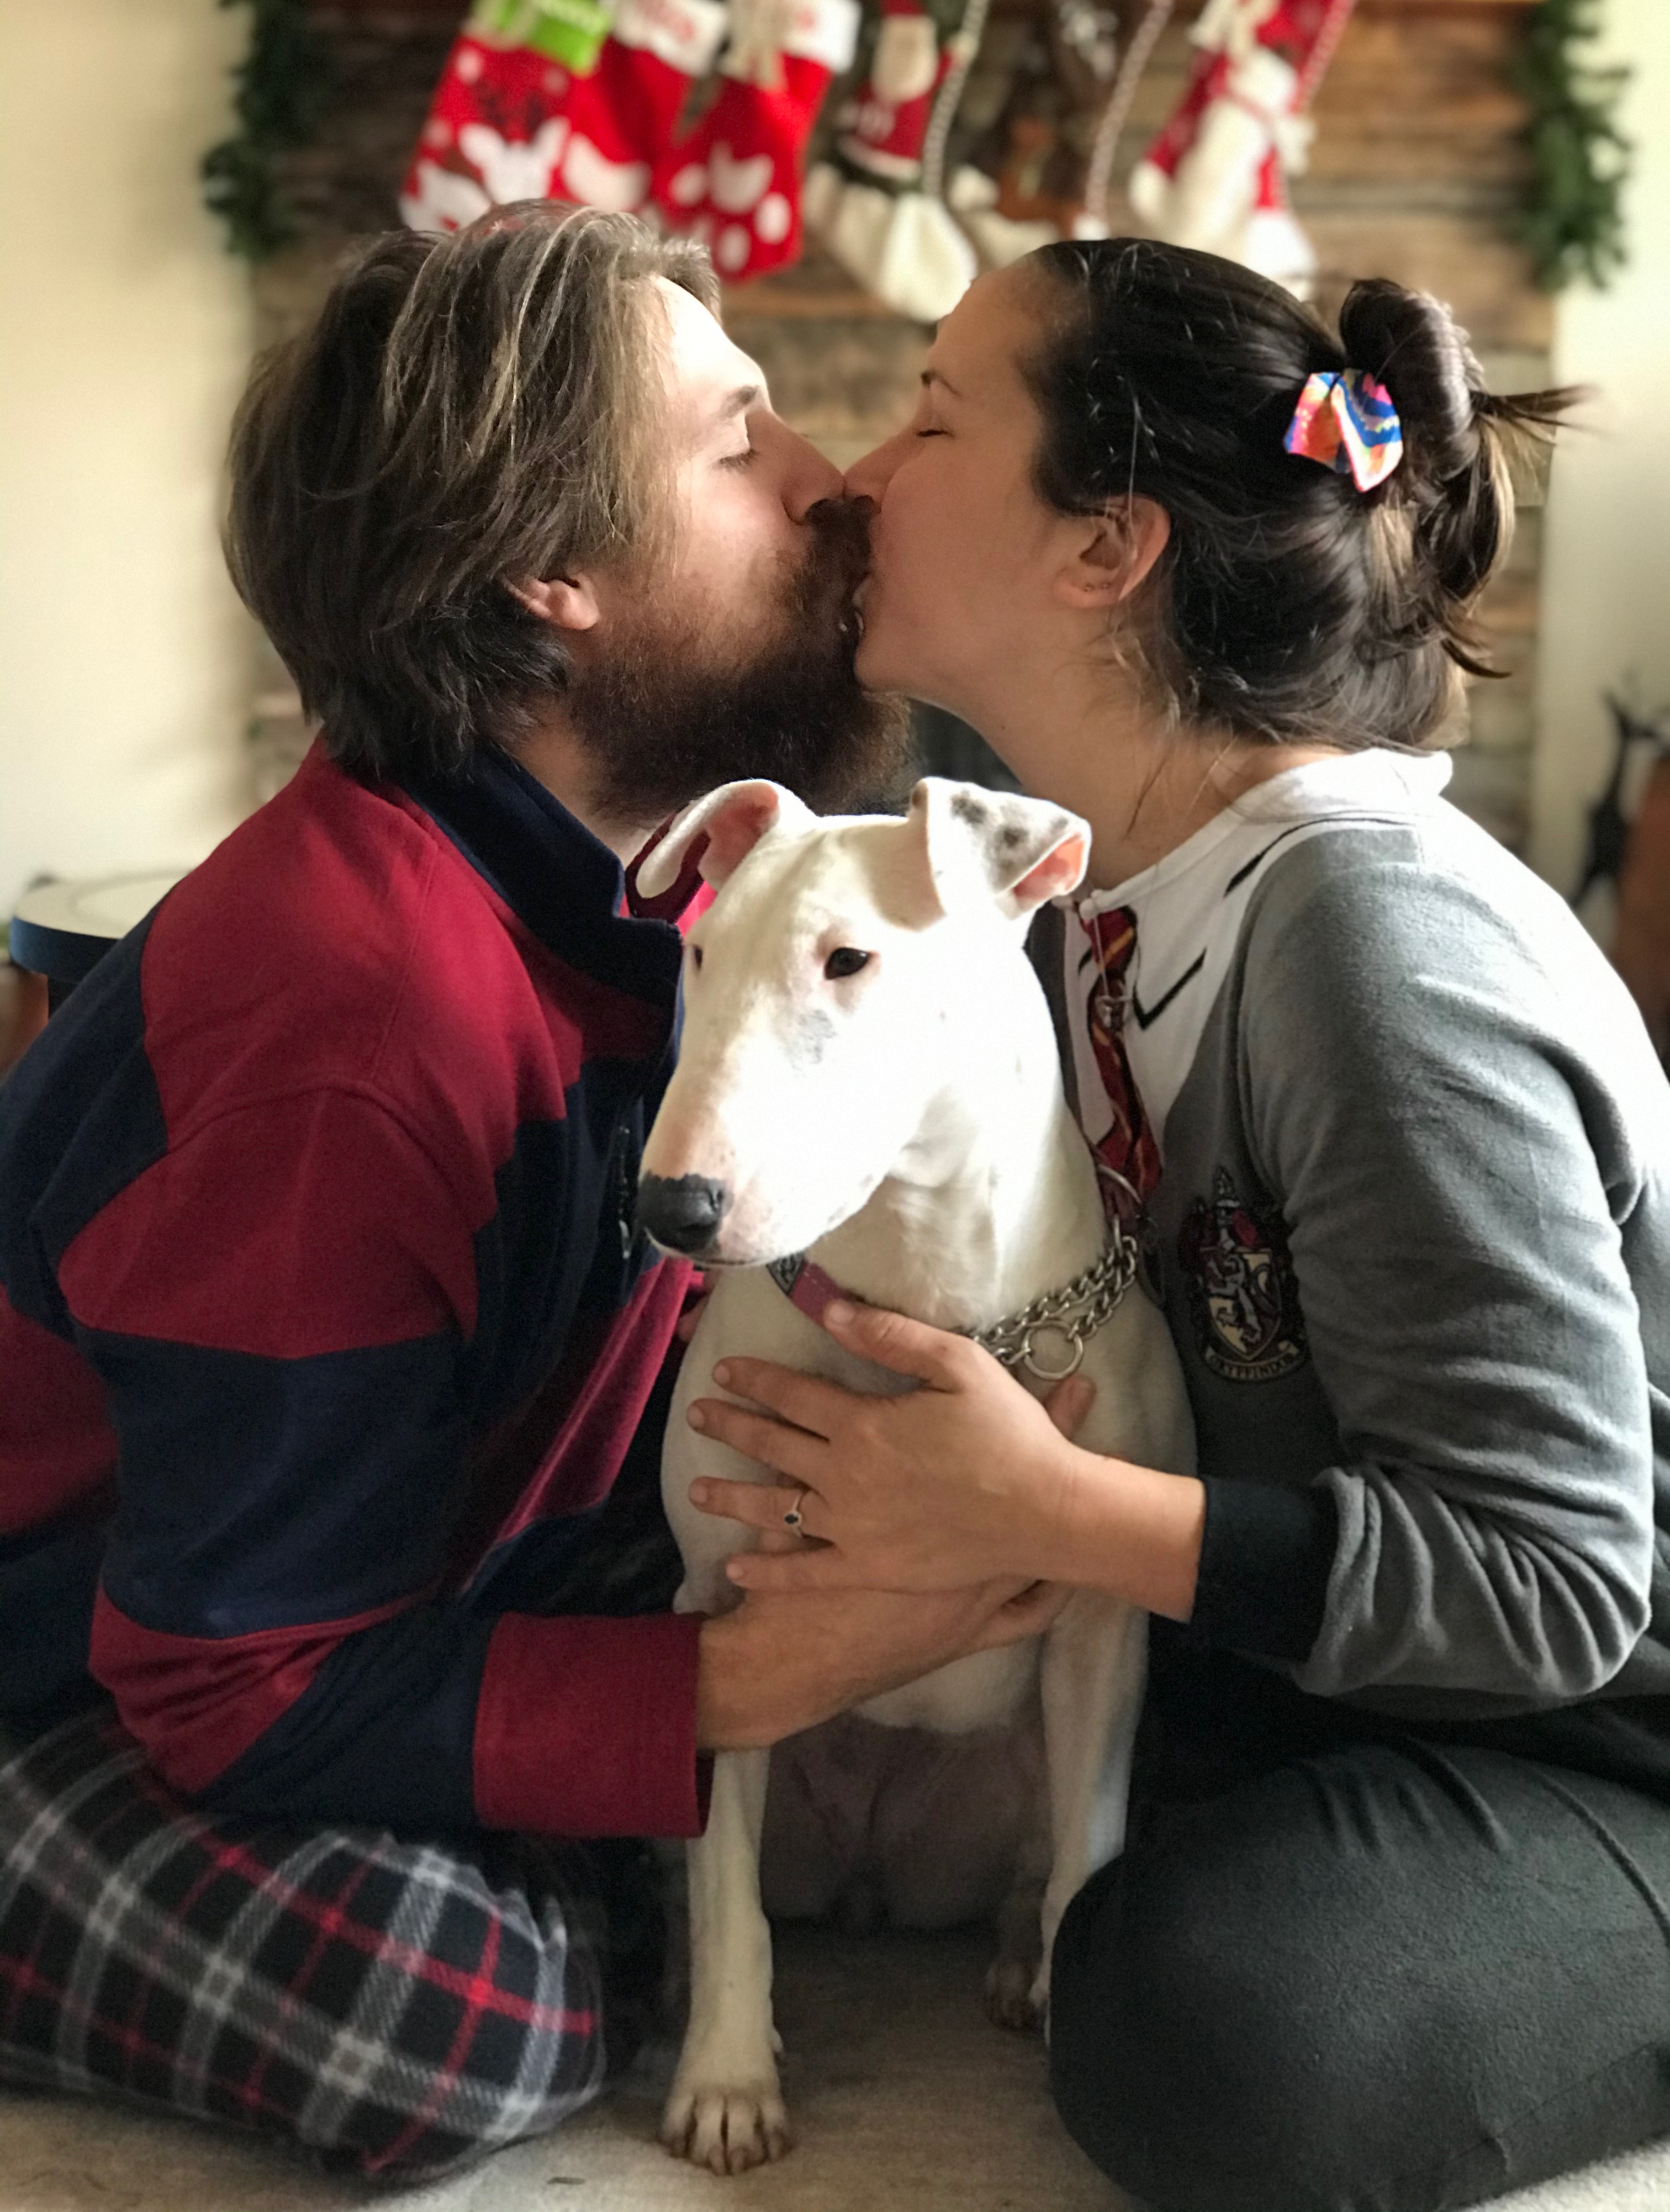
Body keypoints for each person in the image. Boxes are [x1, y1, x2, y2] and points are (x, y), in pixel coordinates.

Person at [0, 205, 1064, 2181]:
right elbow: (232, 1681)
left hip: (418, 1571)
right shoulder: (352, 1012)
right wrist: (755, 1679)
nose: (833, 482)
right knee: (463, 2018)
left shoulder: (662, 913)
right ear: (547, 572)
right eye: (742, 442)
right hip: (86, 1672)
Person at [683, 237, 1670, 2212]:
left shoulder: (1372, 951)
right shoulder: (1086, 912)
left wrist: (1044, 1511)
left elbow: (1558, 1586)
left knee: (1194, 2019)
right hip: (1343, 1670)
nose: (859, 476)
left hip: (1609, 1738)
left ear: (1105, 547)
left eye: (937, 417)